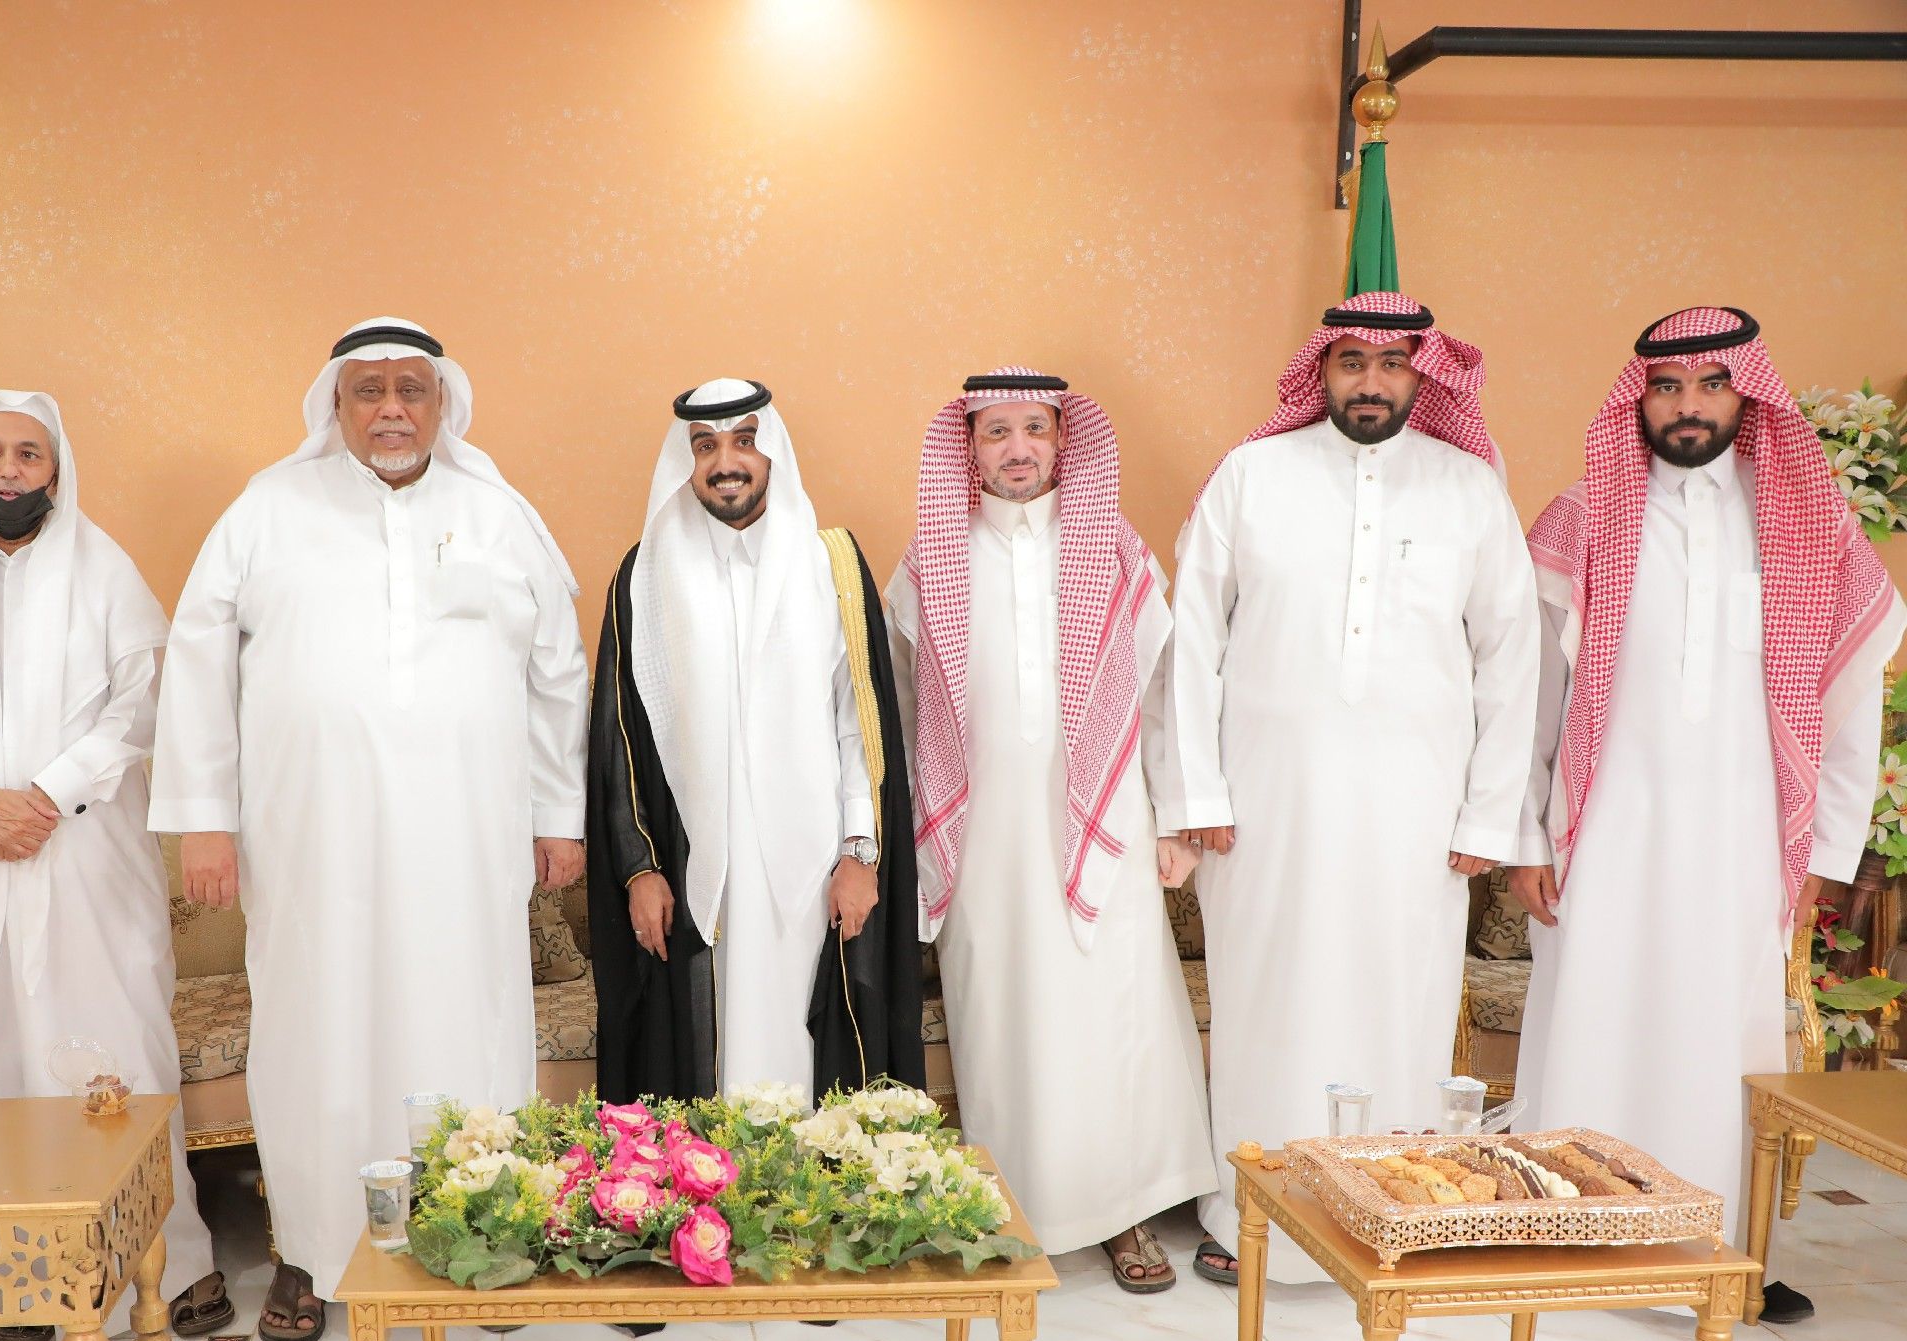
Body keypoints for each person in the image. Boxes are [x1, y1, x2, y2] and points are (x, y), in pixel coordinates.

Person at [151, 319, 587, 1341]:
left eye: (410, 389)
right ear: (335, 406)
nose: (391, 408)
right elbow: (199, 667)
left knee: (467, 1014)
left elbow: (557, 675)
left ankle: (481, 1228)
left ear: (443, 403)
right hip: (313, 835)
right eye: (368, 390)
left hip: (465, 833)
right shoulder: (266, 512)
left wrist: (557, 816)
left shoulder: (499, 516)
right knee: (316, 1023)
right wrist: (205, 821)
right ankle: (311, 1248)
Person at [1512, 307, 1905, 1324]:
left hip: (1741, 841)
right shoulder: (1582, 519)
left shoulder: (1810, 527)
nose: (1688, 405)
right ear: (1638, 398)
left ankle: (1714, 1256)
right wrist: (1523, 833)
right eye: (1667, 386)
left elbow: (1847, 704)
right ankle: (1569, 1239)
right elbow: (1531, 697)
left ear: (1747, 394)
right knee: (1591, 1016)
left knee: (1721, 1041)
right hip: (1600, 832)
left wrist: (1827, 853)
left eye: (1711, 384)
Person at [1162, 292, 1541, 1285]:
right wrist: (1196, 793)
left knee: (1400, 998)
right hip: (1265, 805)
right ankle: (1247, 1209)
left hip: (1418, 810)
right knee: (1266, 1001)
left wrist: (1490, 812)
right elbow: (1191, 638)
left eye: (1391, 364)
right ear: (1320, 371)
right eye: (1351, 363)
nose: (1371, 382)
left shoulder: (1469, 489)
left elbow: (1512, 658)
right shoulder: (1251, 475)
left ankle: (1392, 1208)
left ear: (1422, 375)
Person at [0, 390, 226, 1341]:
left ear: (57, 468)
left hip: (89, 857)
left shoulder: (106, 573)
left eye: (28, 454)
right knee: (0, 1054)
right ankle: (25, 1270)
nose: (9, 472)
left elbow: (140, 705)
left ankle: (170, 1262)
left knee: (121, 1043)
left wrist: (45, 798)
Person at [888, 368, 1217, 1289]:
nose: (1018, 449)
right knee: (1007, 1021)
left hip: (1108, 821)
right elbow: (907, 714)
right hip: (982, 837)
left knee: (1114, 1016)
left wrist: (1178, 818)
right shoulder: (930, 561)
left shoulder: (1115, 551)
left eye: (1034, 428)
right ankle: (1014, 1203)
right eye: (997, 432)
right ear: (969, 447)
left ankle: (1126, 1216)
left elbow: (1165, 696)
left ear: (1065, 440)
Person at [587, 379, 920, 1103]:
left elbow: (859, 726)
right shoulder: (644, 575)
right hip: (699, 868)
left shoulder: (830, 564)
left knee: (816, 1061)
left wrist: (861, 854)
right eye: (705, 446)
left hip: (816, 869)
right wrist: (640, 870)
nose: (725, 462)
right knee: (708, 1058)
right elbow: (620, 736)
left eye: (744, 441)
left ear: (773, 454)